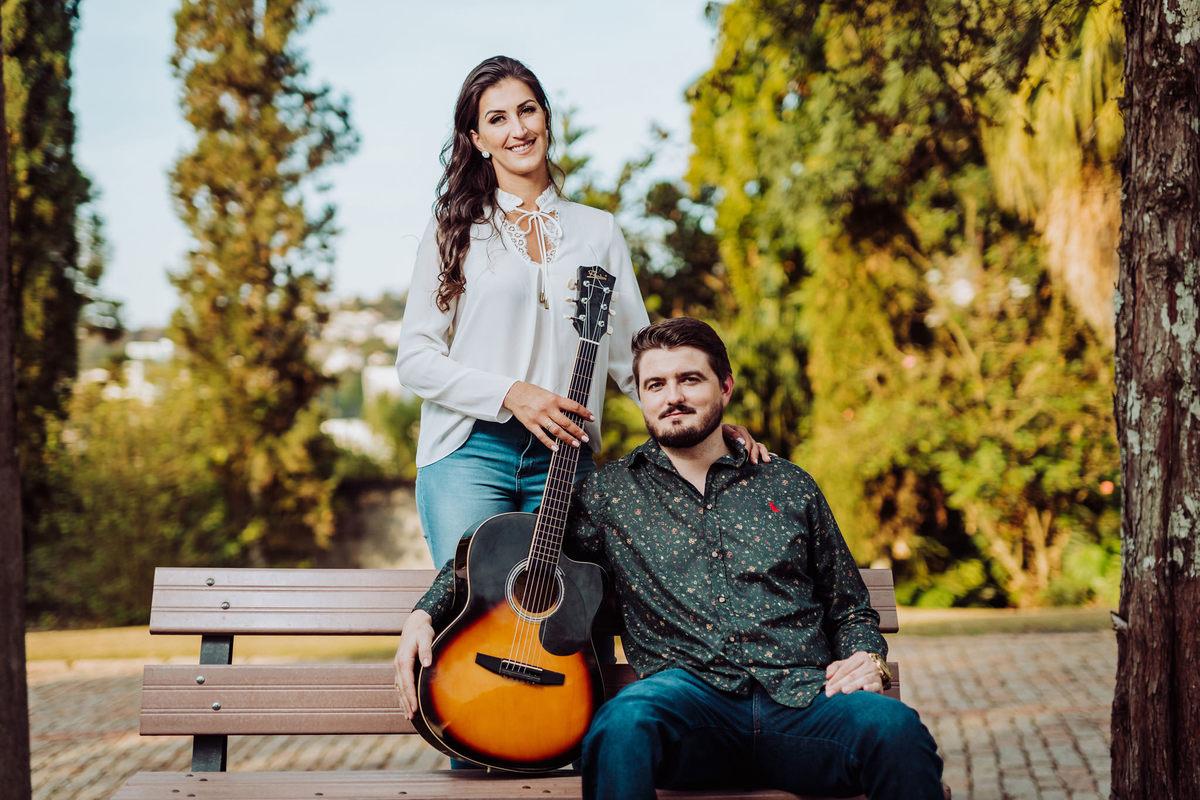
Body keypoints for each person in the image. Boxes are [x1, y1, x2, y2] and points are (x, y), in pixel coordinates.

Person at [395, 316, 944, 799]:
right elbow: (510, 548)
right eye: (654, 384)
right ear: (640, 397)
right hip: (689, 710)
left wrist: (867, 658)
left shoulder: (788, 483)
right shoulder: (610, 494)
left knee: (895, 729)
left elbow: (848, 605)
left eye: (689, 379)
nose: (671, 396)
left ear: (724, 387)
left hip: (802, 704)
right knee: (620, 724)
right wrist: (426, 611)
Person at [394, 55, 767, 569]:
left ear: (546, 117)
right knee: (474, 618)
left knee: (563, 626)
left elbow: (639, 360)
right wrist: (512, 394)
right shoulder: (453, 231)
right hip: (469, 453)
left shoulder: (599, 231)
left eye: (527, 111)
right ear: (477, 139)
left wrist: (707, 424)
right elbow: (415, 359)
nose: (518, 129)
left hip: (566, 458)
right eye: (497, 119)